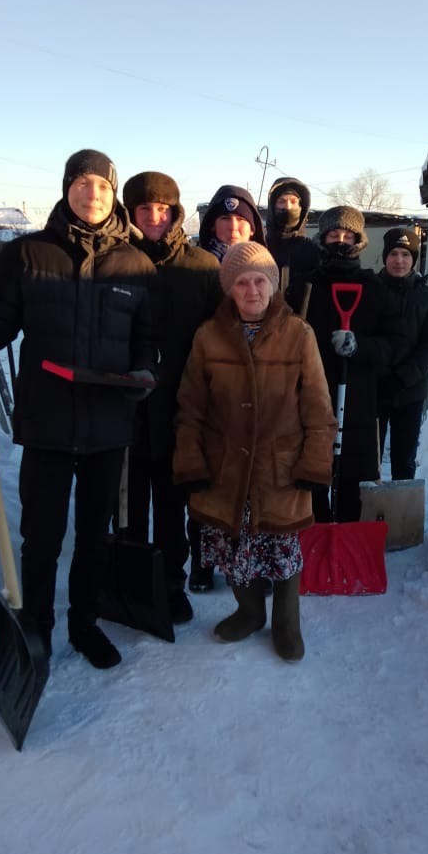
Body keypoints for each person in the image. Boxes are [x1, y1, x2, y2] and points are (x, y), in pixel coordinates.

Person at [0, 149, 157, 669]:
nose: (92, 195)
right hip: (47, 421)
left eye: (102, 187)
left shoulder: (138, 265)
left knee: (93, 536)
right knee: (41, 536)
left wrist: (147, 373)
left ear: (113, 195)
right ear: (66, 189)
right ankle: (35, 629)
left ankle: (84, 625)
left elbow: (146, 343)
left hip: (108, 423)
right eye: (82, 184)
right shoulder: (27, 254)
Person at [173, 241, 336, 661]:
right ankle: (249, 613)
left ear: (272, 284)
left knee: (281, 548)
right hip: (225, 464)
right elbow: (189, 407)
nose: (251, 290)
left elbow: (319, 407)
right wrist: (191, 459)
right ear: (229, 288)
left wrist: (314, 461)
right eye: (241, 282)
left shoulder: (299, 334)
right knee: (232, 543)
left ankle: (286, 623)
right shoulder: (208, 337)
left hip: (278, 465)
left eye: (259, 281)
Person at [121, 170, 222, 623]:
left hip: (179, 408)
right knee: (125, 502)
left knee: (171, 501)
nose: (155, 217)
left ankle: (170, 584)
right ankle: (130, 583)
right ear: (131, 213)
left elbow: (218, 339)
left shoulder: (202, 268)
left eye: (164, 209)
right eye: (145, 209)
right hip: (124, 406)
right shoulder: (114, 262)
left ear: (177, 212)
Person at [286, 205, 401, 523]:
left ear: (359, 241)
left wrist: (361, 346)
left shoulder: (375, 289)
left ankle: (346, 542)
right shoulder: (303, 286)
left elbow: (394, 344)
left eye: (347, 235)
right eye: (333, 234)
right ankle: (314, 535)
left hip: (358, 400)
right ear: (322, 239)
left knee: (351, 478)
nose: (340, 241)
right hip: (310, 396)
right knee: (311, 474)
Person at [188, 184, 267, 590]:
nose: (232, 226)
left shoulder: (266, 268)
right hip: (208, 381)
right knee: (206, 474)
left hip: (254, 386)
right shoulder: (197, 266)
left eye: (241, 220)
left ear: (252, 228)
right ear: (211, 225)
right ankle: (202, 560)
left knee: (251, 478)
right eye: (224, 218)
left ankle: (249, 557)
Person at [377, 226, 428, 480]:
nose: (399, 260)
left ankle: (401, 515)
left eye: (406, 254)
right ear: (385, 257)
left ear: (414, 259)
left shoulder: (427, 296)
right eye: (393, 253)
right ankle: (368, 514)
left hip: (410, 391)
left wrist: (403, 377)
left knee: (404, 461)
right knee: (368, 457)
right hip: (375, 388)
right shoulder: (371, 290)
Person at [265, 176, 320, 279]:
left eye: (293, 201)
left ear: (302, 208)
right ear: (272, 207)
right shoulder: (260, 247)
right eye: (282, 201)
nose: (288, 207)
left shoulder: (313, 250)